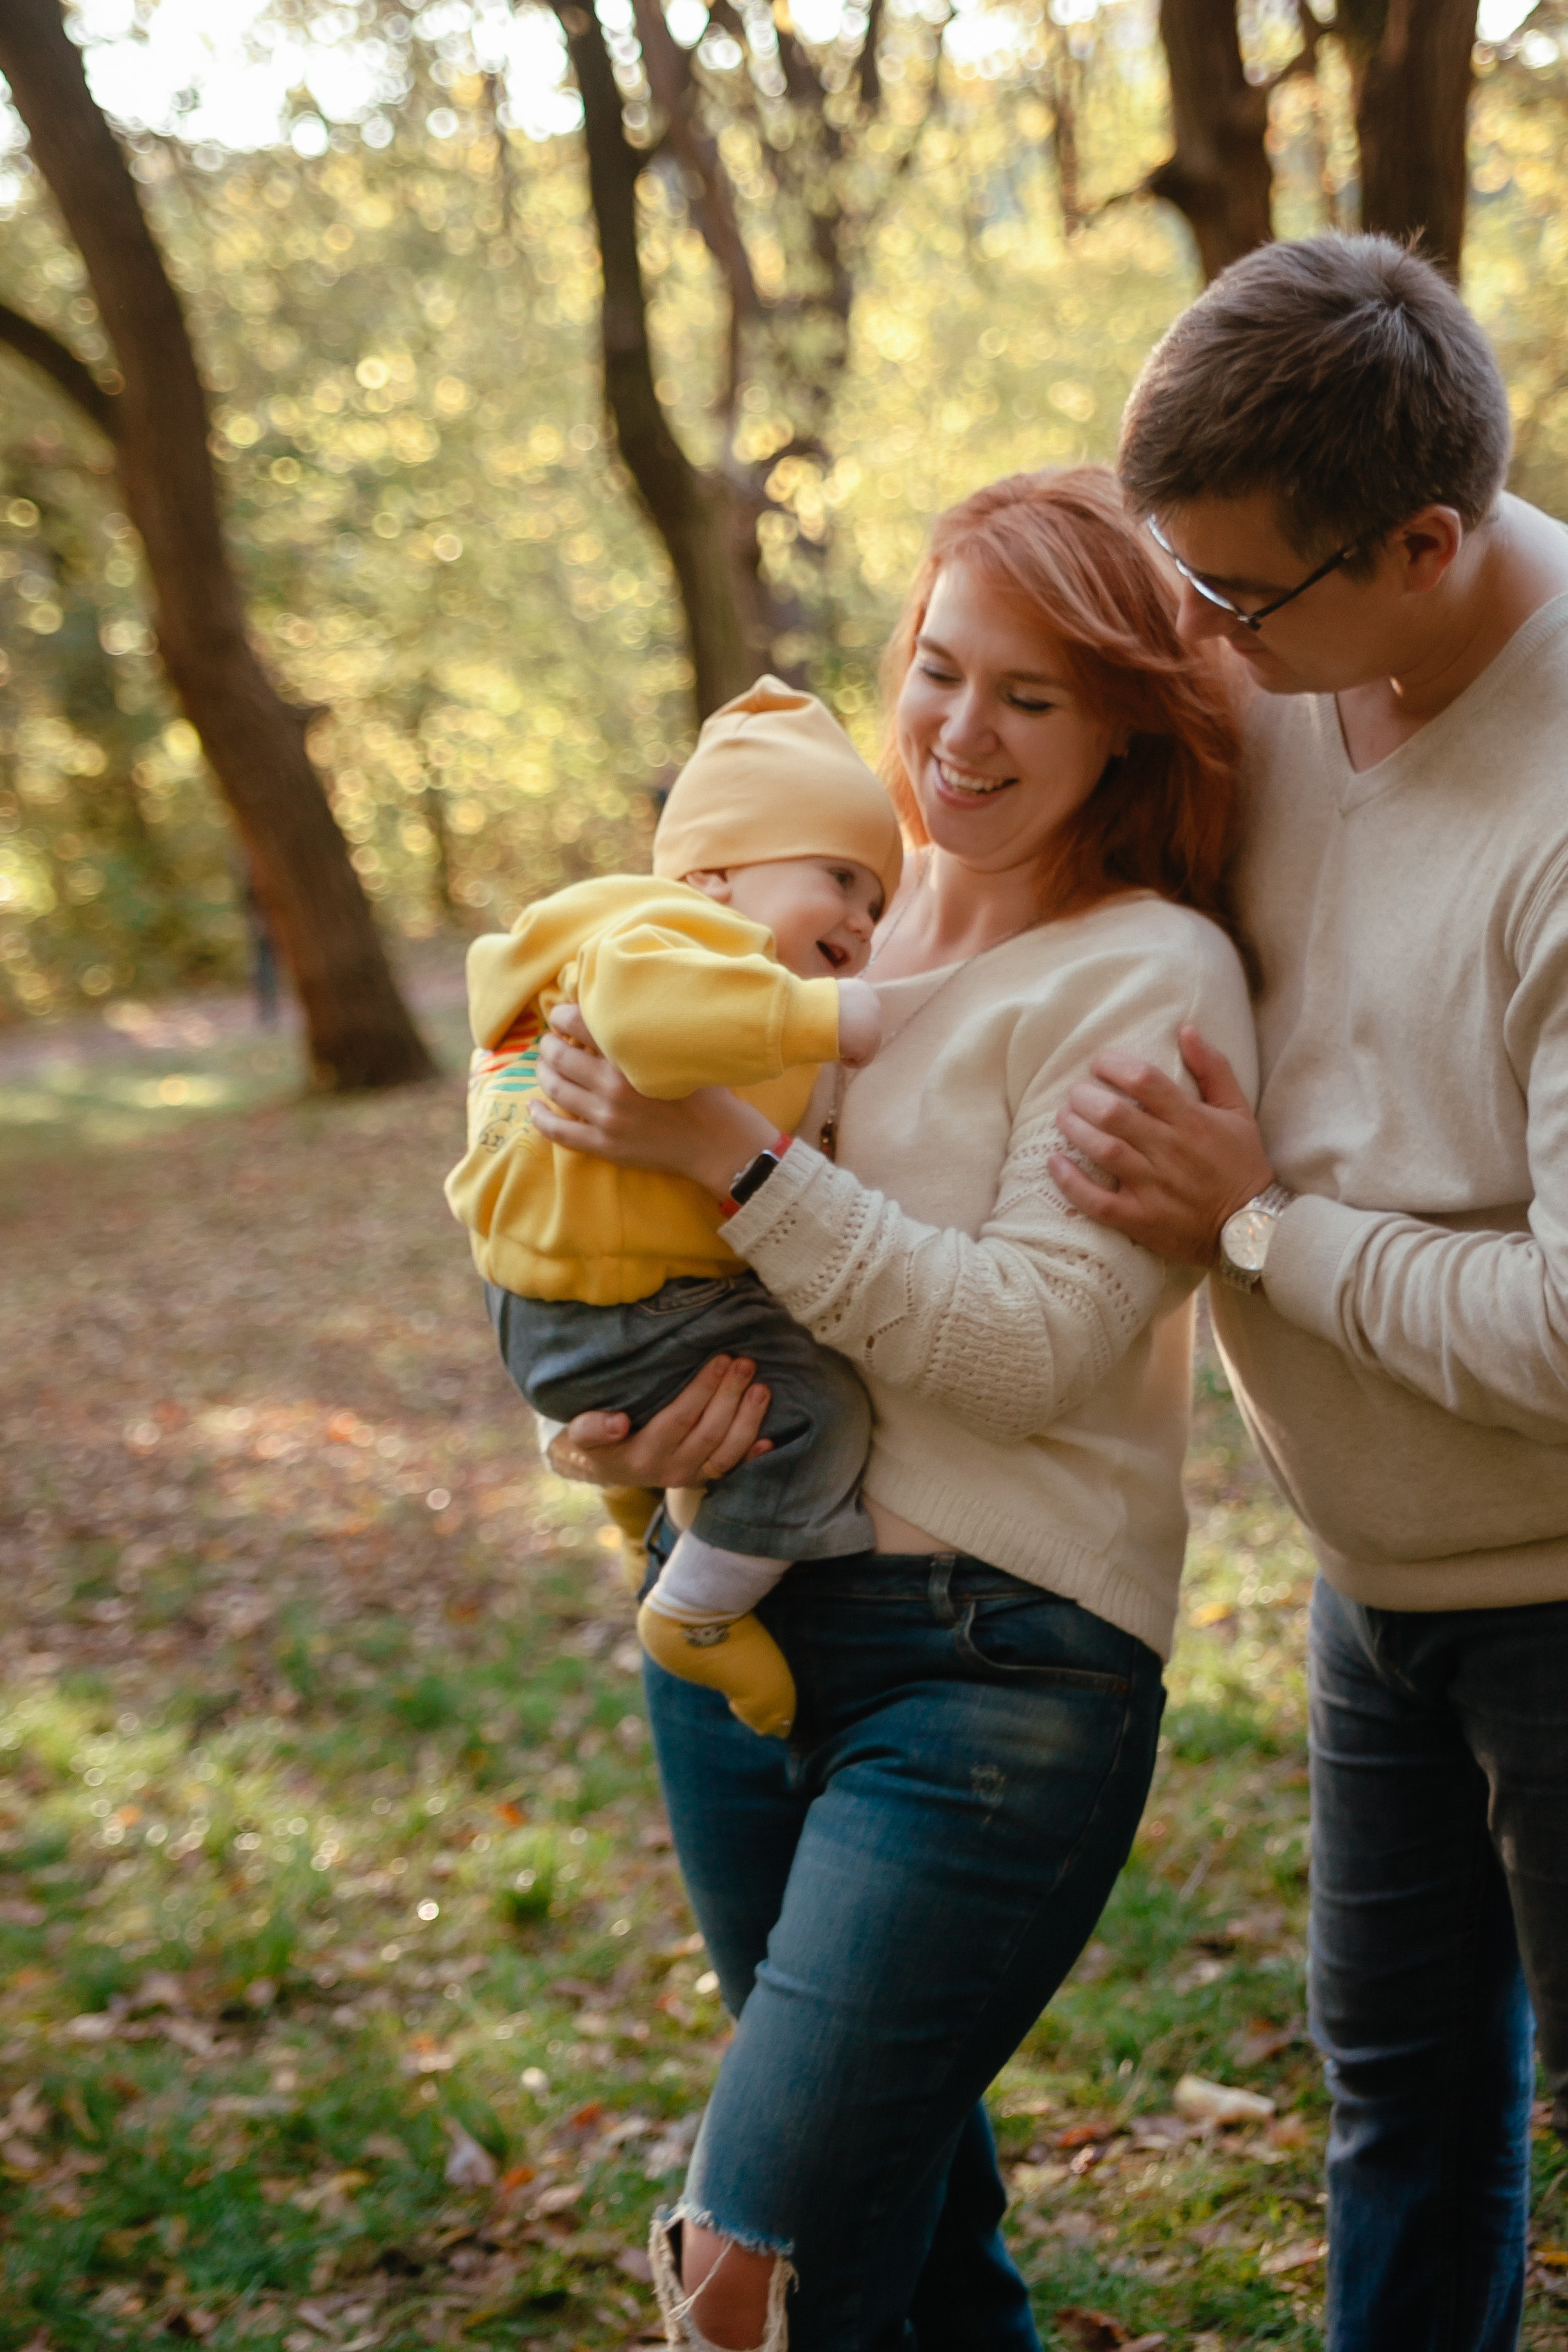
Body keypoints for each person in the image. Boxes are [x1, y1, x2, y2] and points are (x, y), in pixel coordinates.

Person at [528, 466, 1258, 2351]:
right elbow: (625, 1256)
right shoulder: (833, 919)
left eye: (1029, 693)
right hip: (745, 1639)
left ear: (1120, 721)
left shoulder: (1145, 974)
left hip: (992, 1675)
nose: (958, 730)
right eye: (937, 670)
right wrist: (608, 1441)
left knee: (747, 2254)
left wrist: (732, 1154)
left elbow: (1023, 1347)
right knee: (902, 2241)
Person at [1049, 236, 1568, 2352]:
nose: (1193, 635)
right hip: (1372, 1586)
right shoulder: (1265, 668)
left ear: (1423, 541)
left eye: (1231, 597)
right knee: (1402, 2106)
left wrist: (1255, 1227)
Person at [445, 678, 902, 1738]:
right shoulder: (678, 939)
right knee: (817, 1405)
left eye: (876, 904)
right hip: (621, 1302)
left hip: (553, 1302)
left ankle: (629, 1495)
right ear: (713, 875)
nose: (860, 920)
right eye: (837, 878)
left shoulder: (615, 932)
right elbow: (647, 1020)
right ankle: (697, 1610)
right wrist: (819, 1014)